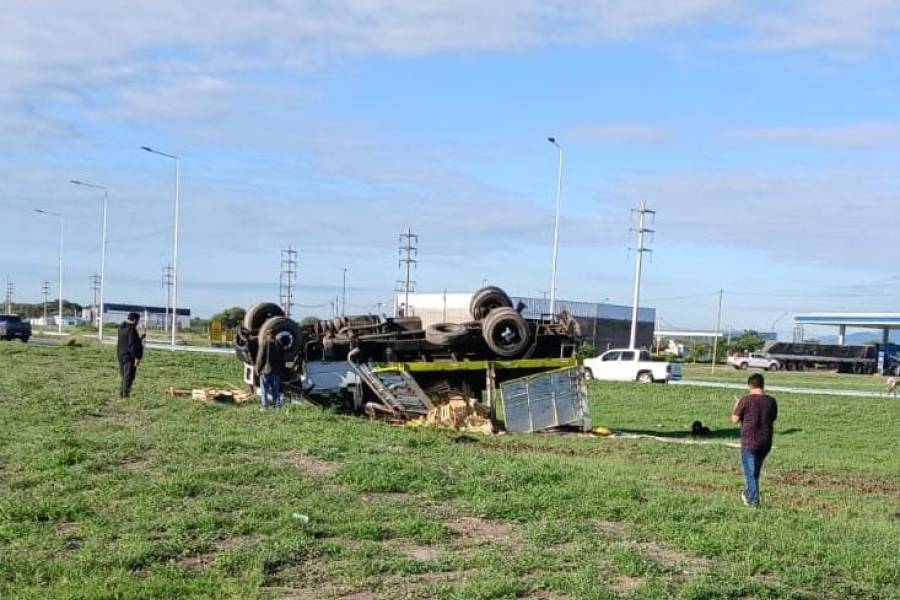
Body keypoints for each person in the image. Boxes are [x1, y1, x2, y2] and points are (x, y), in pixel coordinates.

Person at [731, 373, 778, 508]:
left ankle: (754, 500)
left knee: (751, 473)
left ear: (750, 385)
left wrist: (737, 404)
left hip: (749, 442)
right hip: (766, 441)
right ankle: (748, 493)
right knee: (754, 472)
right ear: (763, 385)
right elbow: (773, 418)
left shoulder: (746, 400)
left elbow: (734, 419)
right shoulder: (771, 401)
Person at [255, 329, 287, 410]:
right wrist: (282, 370)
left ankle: (264, 408)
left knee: (264, 391)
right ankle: (277, 408)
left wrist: (257, 369)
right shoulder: (279, 344)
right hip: (276, 372)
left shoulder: (264, 343)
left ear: (267, 335)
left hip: (265, 372)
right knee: (275, 391)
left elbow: (260, 358)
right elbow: (282, 359)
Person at [117, 312, 145, 398]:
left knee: (124, 376)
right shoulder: (131, 330)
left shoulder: (121, 328)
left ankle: (122, 394)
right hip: (129, 357)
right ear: (135, 320)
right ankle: (125, 395)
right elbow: (132, 345)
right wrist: (136, 357)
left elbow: (130, 341)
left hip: (121, 355)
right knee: (129, 376)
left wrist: (142, 336)